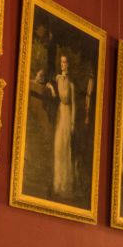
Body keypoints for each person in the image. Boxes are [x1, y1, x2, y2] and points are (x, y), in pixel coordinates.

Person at [50, 55, 76, 199]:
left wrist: (72, 122)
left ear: (68, 64)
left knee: (65, 148)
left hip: (67, 113)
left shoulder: (71, 84)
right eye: (61, 62)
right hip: (59, 112)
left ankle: (65, 186)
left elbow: (73, 103)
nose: (62, 64)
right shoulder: (58, 79)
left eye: (65, 62)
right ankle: (57, 184)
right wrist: (51, 88)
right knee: (58, 147)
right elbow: (55, 95)